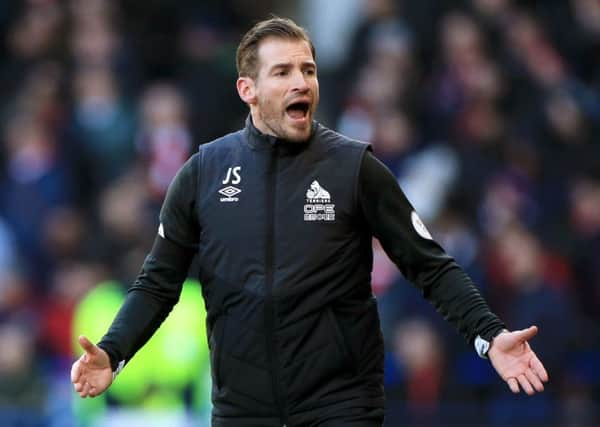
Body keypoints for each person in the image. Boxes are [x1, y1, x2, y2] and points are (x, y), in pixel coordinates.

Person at [71, 17, 549, 427]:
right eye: (283, 72)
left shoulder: (354, 168)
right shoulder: (203, 173)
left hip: (340, 406)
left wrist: (489, 335)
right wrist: (113, 352)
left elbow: (430, 265)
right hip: (241, 411)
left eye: (309, 70)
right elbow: (158, 284)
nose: (302, 82)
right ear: (248, 90)